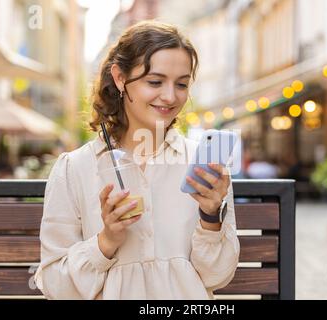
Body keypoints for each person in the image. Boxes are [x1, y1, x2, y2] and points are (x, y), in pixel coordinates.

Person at [34, 21, 240, 300]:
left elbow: (217, 277)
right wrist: (106, 241)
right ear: (120, 78)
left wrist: (210, 217)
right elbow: (55, 285)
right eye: (154, 82)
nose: (170, 96)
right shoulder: (75, 169)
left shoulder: (204, 166)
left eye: (181, 84)